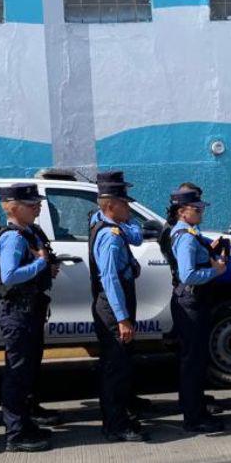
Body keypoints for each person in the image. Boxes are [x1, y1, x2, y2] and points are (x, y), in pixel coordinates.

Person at [0, 183, 59, 452]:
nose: (37, 206)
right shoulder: (13, 238)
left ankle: (25, 423)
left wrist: (45, 270)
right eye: (31, 204)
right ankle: (15, 434)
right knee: (17, 374)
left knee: (27, 372)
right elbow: (9, 275)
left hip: (30, 310)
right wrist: (40, 264)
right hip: (18, 312)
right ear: (14, 208)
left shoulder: (28, 233)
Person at [89, 176, 148, 442]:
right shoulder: (111, 237)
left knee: (119, 365)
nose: (129, 208)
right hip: (113, 307)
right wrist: (123, 319)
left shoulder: (106, 224)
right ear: (111, 205)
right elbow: (110, 279)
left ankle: (120, 416)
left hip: (113, 304)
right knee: (115, 367)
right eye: (124, 204)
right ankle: (115, 425)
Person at [166, 187, 230, 434]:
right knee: (193, 361)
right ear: (182, 212)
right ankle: (193, 418)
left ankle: (196, 410)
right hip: (191, 301)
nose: (201, 211)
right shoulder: (185, 237)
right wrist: (217, 270)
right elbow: (188, 274)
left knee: (195, 360)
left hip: (192, 301)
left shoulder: (189, 232)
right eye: (197, 208)